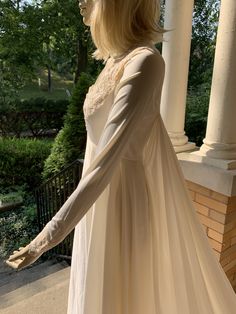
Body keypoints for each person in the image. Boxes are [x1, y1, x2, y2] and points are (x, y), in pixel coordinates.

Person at [6, 0, 236, 313]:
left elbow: (106, 163)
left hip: (122, 200)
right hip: (94, 199)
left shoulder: (145, 63)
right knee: (95, 288)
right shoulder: (114, 61)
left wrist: (44, 240)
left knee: (122, 294)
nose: (82, 3)